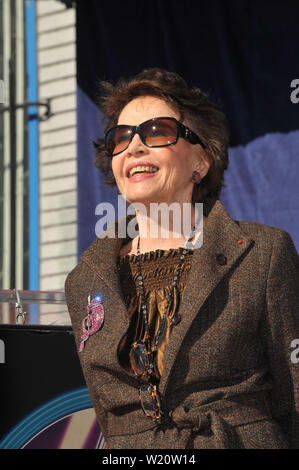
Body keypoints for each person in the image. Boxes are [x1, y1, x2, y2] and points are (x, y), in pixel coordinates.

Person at [65, 68, 299, 449]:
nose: (135, 147)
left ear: (201, 161)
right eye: (121, 138)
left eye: (157, 131)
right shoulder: (85, 281)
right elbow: (109, 420)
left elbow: (295, 398)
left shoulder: (264, 254)